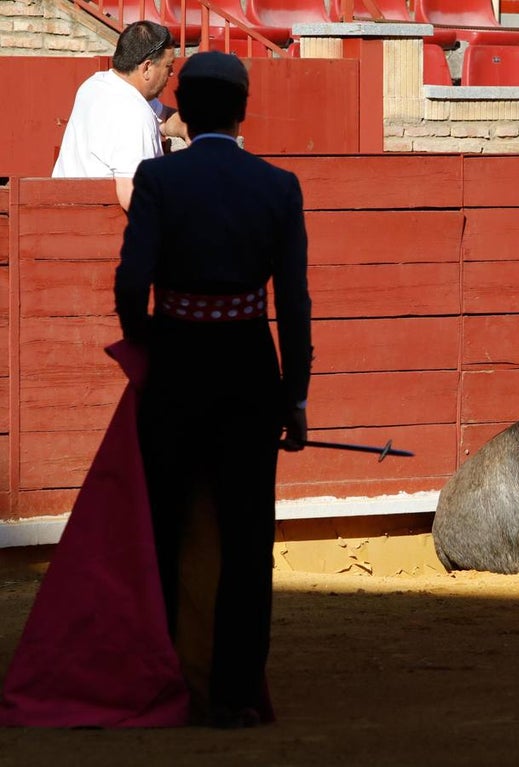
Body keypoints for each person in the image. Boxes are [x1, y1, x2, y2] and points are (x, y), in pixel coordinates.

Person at [114, 51, 312, 728]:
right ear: (242, 112)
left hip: (175, 367)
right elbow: (294, 303)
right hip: (249, 373)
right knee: (248, 536)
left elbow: (128, 282)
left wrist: (148, 347)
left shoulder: (158, 178)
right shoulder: (278, 186)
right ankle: (232, 692)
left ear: (185, 113)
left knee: (164, 528)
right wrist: (295, 396)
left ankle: (169, 680)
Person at [52, 21, 186, 211]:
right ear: (147, 67)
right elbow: (134, 196)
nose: (171, 74)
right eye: (168, 66)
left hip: (66, 213)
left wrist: (188, 127)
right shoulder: (134, 114)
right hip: (99, 226)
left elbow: (163, 118)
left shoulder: (95, 84)